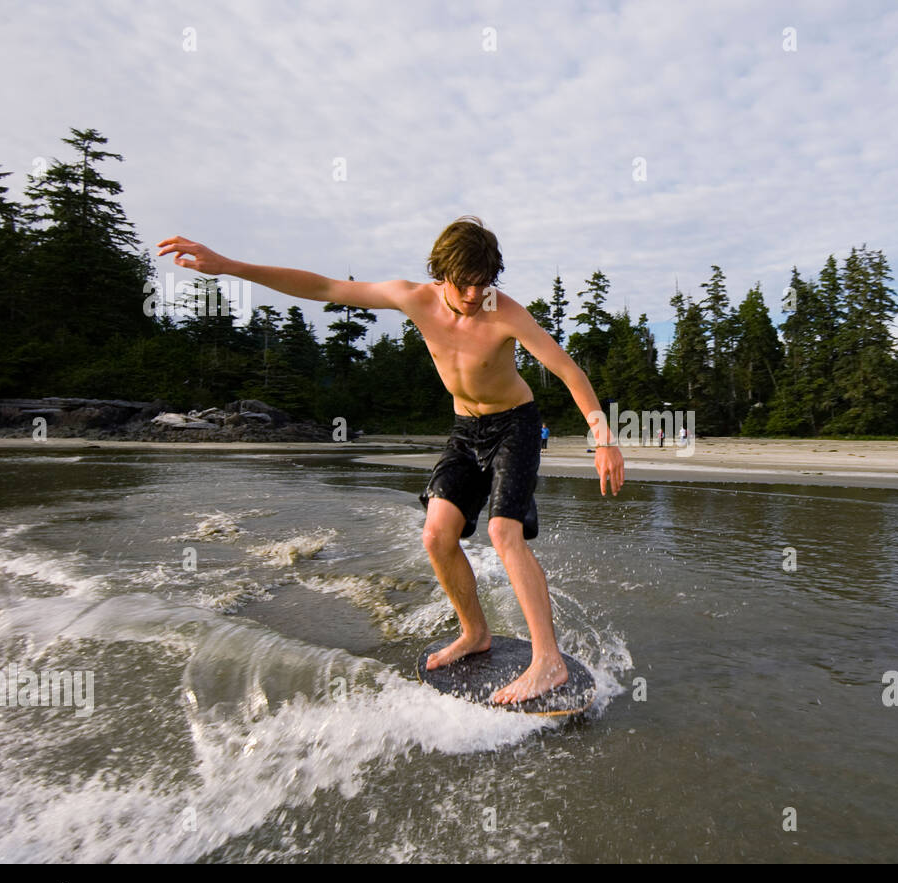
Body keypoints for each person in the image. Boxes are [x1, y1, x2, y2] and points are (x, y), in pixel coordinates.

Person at [157, 216, 626, 703]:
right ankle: (474, 633)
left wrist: (604, 436)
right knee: (436, 535)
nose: (473, 295)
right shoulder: (413, 298)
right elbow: (323, 287)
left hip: (516, 424)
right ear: (441, 272)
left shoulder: (505, 312)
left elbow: (567, 370)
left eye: (484, 283)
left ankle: (547, 661)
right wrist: (230, 266)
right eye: (464, 284)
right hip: (466, 430)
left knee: (502, 532)